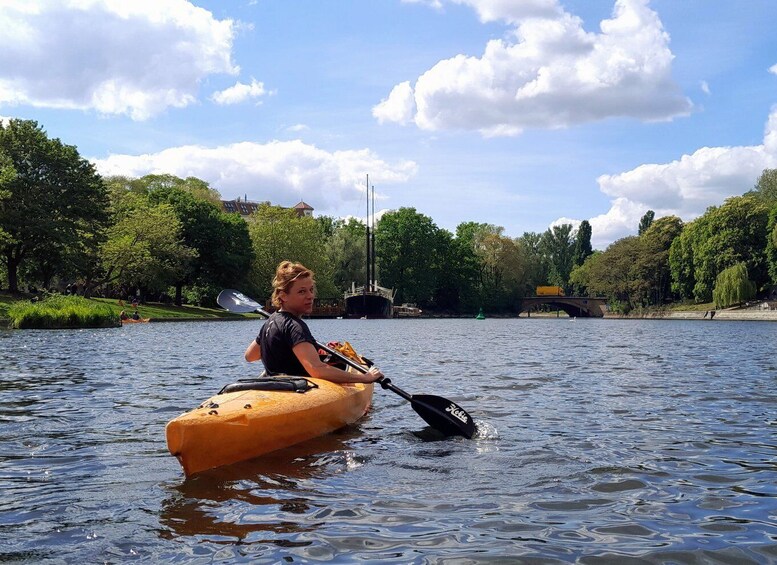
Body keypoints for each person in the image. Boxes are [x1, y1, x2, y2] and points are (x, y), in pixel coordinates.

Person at [244, 261, 383, 384]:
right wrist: (365, 378)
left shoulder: (270, 322)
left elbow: (251, 356)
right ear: (283, 295)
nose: (310, 296)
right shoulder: (295, 326)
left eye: (311, 290)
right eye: (302, 292)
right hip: (295, 393)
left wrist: (283, 350)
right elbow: (317, 370)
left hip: (276, 388)